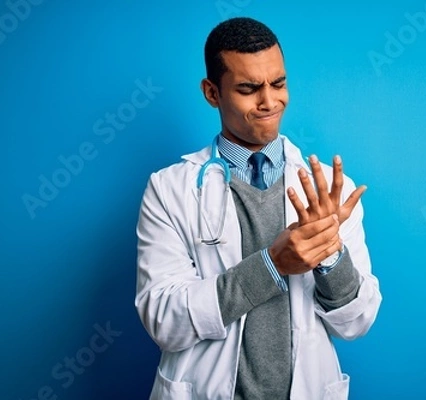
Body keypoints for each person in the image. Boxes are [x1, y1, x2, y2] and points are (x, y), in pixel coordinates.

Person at [135, 17, 382, 400]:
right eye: (249, 89)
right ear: (212, 92)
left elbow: (356, 322)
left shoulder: (328, 193)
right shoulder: (170, 189)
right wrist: (273, 264)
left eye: (278, 84)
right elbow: (164, 319)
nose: (269, 102)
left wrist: (328, 252)